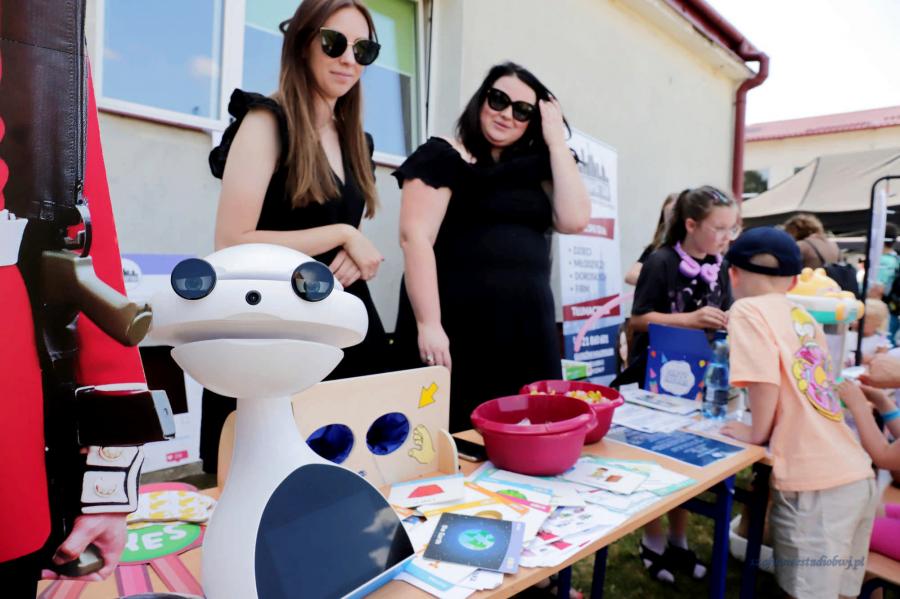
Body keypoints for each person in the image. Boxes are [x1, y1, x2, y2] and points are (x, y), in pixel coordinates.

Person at [201, 0, 388, 472]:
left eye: (363, 50)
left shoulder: (356, 140)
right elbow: (232, 240)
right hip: (273, 327)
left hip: (337, 324)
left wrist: (349, 248)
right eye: (334, 43)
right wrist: (342, 233)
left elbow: (340, 234)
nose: (348, 59)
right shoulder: (267, 120)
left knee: (355, 473)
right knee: (267, 482)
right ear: (303, 44)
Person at [392, 62, 590, 433]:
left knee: (527, 434)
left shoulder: (538, 169)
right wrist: (429, 324)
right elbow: (415, 238)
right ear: (482, 99)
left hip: (526, 331)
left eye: (522, 110)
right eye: (498, 100)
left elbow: (575, 219)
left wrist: (555, 140)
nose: (506, 114)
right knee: (450, 435)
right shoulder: (442, 156)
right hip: (458, 327)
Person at [720, 227, 877, 599]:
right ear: (793, 281)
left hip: (815, 487)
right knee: (840, 593)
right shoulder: (803, 315)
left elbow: (763, 381)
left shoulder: (746, 310)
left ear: (733, 275)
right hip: (856, 474)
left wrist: (755, 432)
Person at [623, 186, 738, 584]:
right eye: (718, 228)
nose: (726, 237)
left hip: (700, 381)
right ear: (690, 225)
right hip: (654, 381)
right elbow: (638, 320)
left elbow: (726, 312)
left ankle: (679, 540)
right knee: (655, 464)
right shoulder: (661, 260)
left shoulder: (721, 264)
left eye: (731, 229)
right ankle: (652, 540)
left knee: (685, 465)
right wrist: (689, 320)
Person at [783, 212, 859, 297]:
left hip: (812, 292)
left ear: (794, 230)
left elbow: (788, 270)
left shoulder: (802, 245)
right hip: (833, 292)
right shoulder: (833, 245)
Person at [623, 193, 678, 286]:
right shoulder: (655, 248)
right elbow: (630, 276)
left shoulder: (693, 248)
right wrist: (661, 283)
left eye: (675, 215)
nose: (672, 221)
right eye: (668, 216)